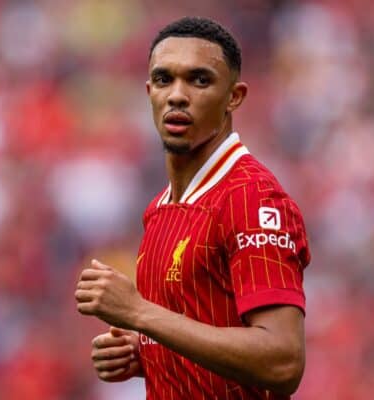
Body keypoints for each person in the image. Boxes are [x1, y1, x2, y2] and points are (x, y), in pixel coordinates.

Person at [75, 16, 311, 399]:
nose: (178, 95)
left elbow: (281, 361)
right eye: (165, 79)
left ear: (234, 97)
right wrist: (148, 353)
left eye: (199, 80)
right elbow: (207, 330)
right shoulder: (160, 209)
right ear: (149, 91)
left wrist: (139, 314)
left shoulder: (251, 198)